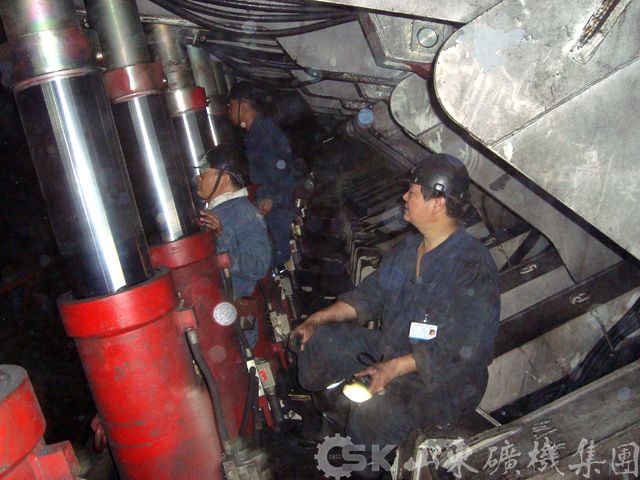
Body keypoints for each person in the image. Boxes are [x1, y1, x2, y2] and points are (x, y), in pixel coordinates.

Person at [292, 153, 501, 478]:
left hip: (447, 380)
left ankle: (362, 469)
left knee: (375, 415)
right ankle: (332, 420)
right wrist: (315, 320)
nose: (404, 197)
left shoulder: (471, 265)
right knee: (322, 344)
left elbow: (462, 348)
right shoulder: (407, 250)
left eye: (412, 192)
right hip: (394, 349)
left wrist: (392, 368)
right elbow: (367, 297)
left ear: (438, 203)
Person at [227, 81, 296, 267]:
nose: (229, 111)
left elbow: (280, 166)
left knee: (273, 256)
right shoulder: (256, 132)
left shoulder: (262, 132)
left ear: (243, 105)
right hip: (274, 203)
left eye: (231, 105)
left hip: (276, 206)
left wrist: (271, 197)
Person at [196, 143, 272, 300]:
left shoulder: (245, 216)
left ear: (224, 179)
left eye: (204, 173)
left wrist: (221, 237)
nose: (199, 178)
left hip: (236, 307)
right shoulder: (220, 211)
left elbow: (258, 267)